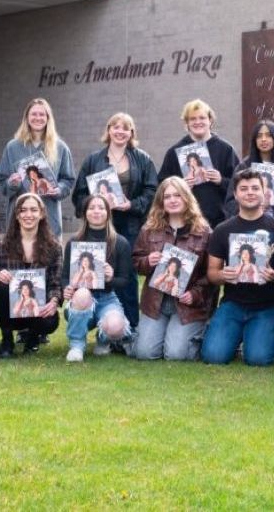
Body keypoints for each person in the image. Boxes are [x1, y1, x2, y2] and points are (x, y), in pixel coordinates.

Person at [71, 112, 158, 329]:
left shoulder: (143, 159)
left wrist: (132, 204)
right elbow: (79, 195)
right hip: (98, 227)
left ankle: (129, 328)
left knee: (125, 277)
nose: (120, 131)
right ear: (108, 130)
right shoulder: (93, 160)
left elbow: (153, 192)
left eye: (125, 128)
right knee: (96, 274)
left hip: (129, 227)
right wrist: (96, 207)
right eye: (115, 127)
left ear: (131, 133)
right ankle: (98, 325)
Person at [201, 169, 274, 366]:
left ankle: (261, 340)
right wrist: (223, 275)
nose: (249, 192)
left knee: (258, 359)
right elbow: (212, 274)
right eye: (244, 189)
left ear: (264, 192)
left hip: (268, 304)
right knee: (213, 357)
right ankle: (236, 337)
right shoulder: (223, 229)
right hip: (233, 303)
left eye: (255, 188)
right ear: (235, 194)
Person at [133, 177, 216, 361]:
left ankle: (204, 332)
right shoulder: (149, 229)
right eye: (167, 196)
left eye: (177, 195)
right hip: (156, 303)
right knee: (145, 353)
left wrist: (195, 294)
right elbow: (136, 262)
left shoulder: (204, 232)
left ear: (187, 198)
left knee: (176, 354)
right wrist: (148, 261)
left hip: (187, 306)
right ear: (161, 202)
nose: (172, 200)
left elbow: (210, 275)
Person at [0, 193, 63, 357]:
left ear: (42, 214)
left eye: (33, 210)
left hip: (37, 309)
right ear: (16, 215)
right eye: (23, 210)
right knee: (1, 286)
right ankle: (7, 339)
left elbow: (56, 283)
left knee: (51, 321)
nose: (28, 215)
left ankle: (33, 337)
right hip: (9, 309)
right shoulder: (2, 245)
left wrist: (54, 301)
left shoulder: (54, 247)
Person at [62, 195, 134, 362]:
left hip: (107, 298)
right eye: (91, 208)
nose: (96, 211)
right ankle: (77, 344)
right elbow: (65, 276)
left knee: (116, 326)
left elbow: (125, 281)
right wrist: (66, 288)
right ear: (85, 213)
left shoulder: (120, 242)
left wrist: (109, 278)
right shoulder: (74, 241)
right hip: (81, 298)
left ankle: (103, 341)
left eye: (101, 208)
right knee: (82, 294)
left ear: (108, 213)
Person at [0, 99, 75, 237]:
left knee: (48, 256)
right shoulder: (12, 147)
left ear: (48, 118)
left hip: (49, 216)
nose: (38, 118)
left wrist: (59, 189)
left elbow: (68, 180)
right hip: (19, 218)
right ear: (27, 118)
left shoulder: (60, 147)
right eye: (34, 114)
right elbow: (3, 183)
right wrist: (12, 183)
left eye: (42, 114)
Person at [158, 99, 239, 227]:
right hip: (185, 221)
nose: (198, 122)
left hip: (219, 221)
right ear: (186, 123)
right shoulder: (174, 152)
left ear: (210, 120)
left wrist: (221, 181)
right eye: (193, 119)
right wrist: (180, 186)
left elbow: (240, 185)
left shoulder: (226, 149)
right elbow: (161, 187)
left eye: (202, 118)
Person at [223, 119, 274, 219]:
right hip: (248, 223)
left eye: (268, 135)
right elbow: (230, 203)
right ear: (254, 140)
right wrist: (249, 205)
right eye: (259, 136)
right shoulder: (243, 167)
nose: (263, 139)